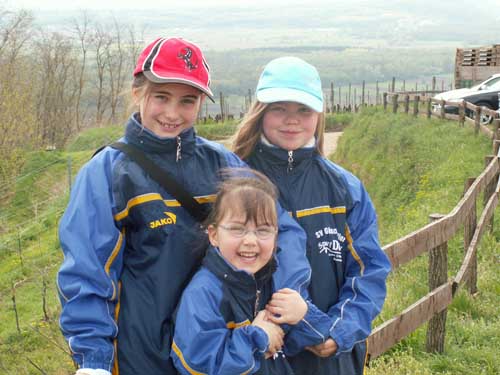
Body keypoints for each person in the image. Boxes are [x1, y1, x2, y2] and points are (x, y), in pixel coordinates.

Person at [57, 38, 311, 375]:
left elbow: (281, 227)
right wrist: (93, 361)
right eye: (161, 97)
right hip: (143, 357)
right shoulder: (109, 173)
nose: (172, 113)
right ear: (138, 93)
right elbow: (87, 272)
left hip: (219, 351)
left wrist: (287, 296)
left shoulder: (221, 163)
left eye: (187, 101)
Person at [232, 56, 392, 375]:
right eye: (280, 108)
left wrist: (339, 331)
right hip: (253, 357)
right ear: (260, 111)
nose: (292, 120)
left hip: (327, 360)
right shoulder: (234, 182)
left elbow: (368, 270)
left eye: (303, 110)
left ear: (319, 114)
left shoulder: (345, 189)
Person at [171, 170, 333, 375]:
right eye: (237, 229)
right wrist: (257, 338)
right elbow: (197, 366)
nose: (250, 241)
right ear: (214, 236)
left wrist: (304, 315)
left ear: (276, 235)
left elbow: (318, 340)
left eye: (263, 230)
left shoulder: (272, 282)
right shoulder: (203, 293)